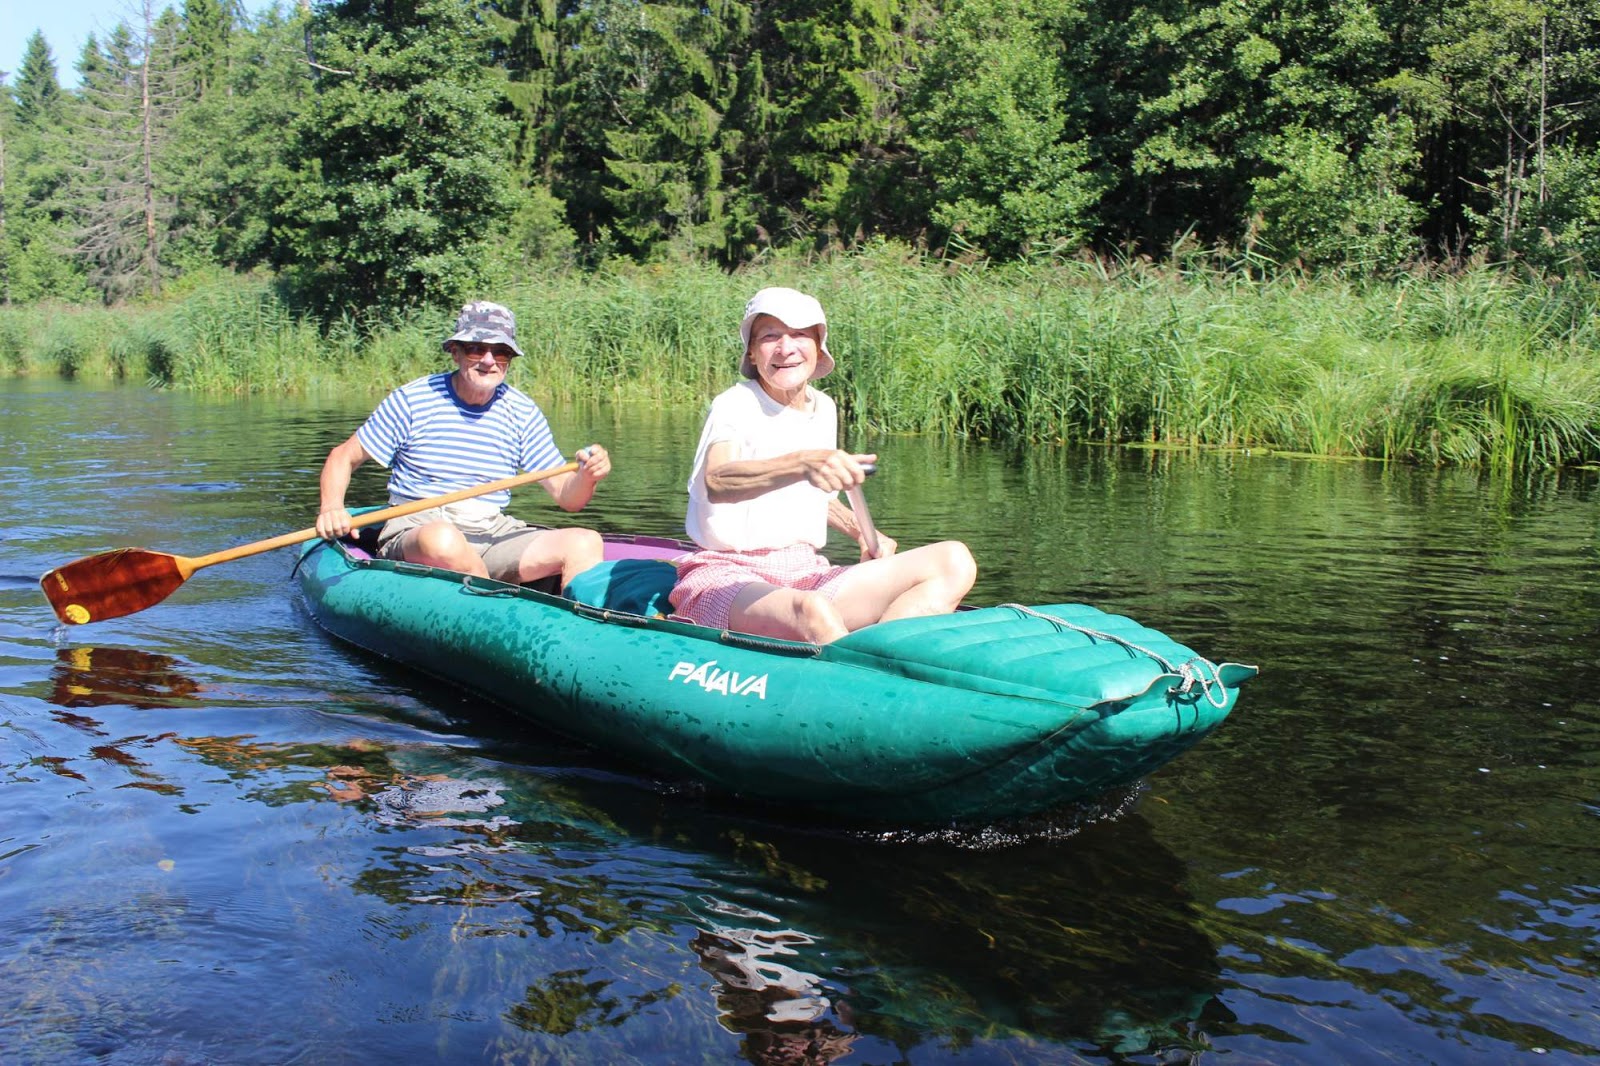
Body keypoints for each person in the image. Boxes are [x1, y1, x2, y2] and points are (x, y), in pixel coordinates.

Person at [668, 286, 976, 643]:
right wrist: (802, 462)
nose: (786, 348)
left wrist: (860, 530)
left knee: (954, 561)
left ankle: (882, 657)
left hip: (805, 570)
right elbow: (717, 482)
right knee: (812, 611)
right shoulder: (735, 404)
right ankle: (855, 673)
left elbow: (810, 493)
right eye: (770, 336)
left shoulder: (824, 408)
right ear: (752, 352)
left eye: (799, 334)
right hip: (727, 574)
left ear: (818, 347)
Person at [315, 300, 611, 591]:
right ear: (455, 352)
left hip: (491, 531)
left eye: (501, 352)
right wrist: (331, 508)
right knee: (443, 539)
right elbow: (343, 456)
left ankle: (577, 629)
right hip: (419, 527)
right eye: (476, 349)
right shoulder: (413, 400)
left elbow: (569, 498)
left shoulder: (522, 411)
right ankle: (497, 610)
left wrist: (588, 476)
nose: (488, 360)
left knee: (584, 541)